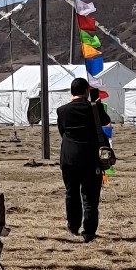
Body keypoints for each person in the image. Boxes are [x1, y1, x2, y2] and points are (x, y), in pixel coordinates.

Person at [56, 76, 112, 241]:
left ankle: (73, 226)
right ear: (87, 91)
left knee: (71, 193)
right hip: (90, 159)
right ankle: (88, 232)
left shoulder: (62, 111)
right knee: (90, 197)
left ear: (71, 92)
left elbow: (62, 132)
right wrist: (98, 103)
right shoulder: (93, 108)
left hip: (68, 158)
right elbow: (106, 121)